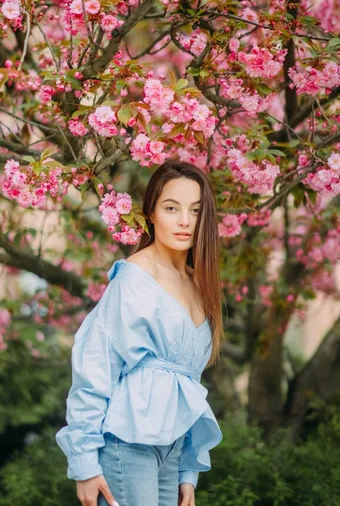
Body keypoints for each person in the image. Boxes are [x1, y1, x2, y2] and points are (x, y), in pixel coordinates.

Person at [56, 159, 224, 506]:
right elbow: (96, 365)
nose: (184, 221)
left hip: (171, 453)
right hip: (126, 445)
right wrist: (84, 462)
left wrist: (186, 473)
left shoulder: (198, 284)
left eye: (195, 210)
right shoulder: (135, 276)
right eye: (171, 208)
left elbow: (187, 387)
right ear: (150, 214)